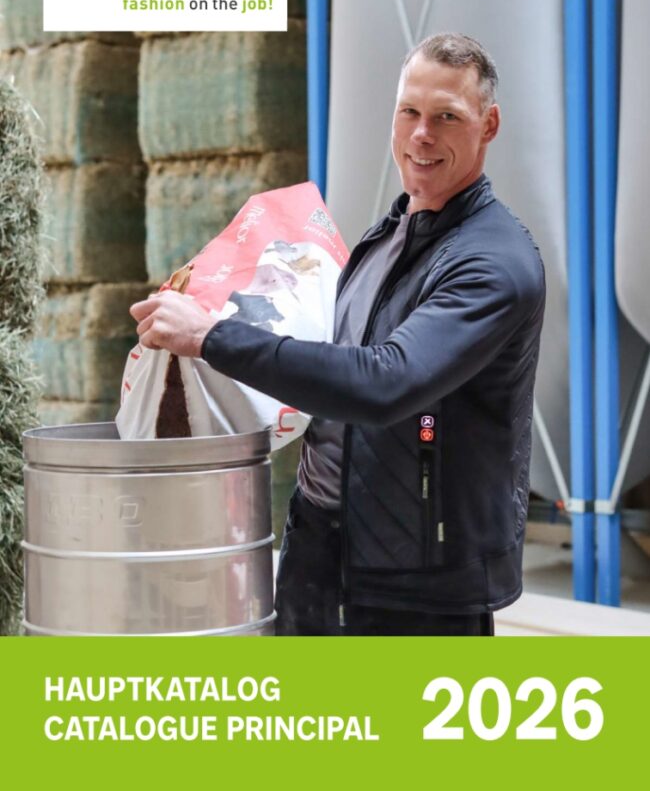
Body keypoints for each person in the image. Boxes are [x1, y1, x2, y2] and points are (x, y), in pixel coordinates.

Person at [130, 33, 546, 637]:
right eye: (409, 111)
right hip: (320, 551)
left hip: (419, 582)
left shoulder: (494, 264)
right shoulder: (387, 236)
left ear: (489, 125)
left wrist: (213, 336)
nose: (421, 134)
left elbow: (385, 383)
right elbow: (333, 364)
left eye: (447, 117)